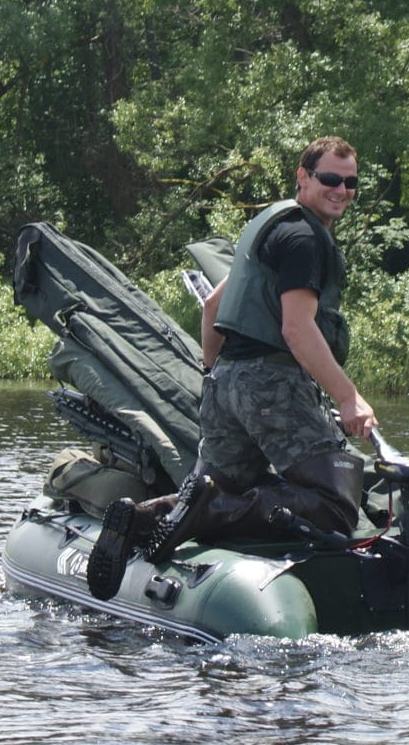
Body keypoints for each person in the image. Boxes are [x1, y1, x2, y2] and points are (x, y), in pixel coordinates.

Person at [86, 137, 376, 597]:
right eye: (329, 179)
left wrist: (214, 374)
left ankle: (141, 518)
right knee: (336, 504)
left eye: (350, 182)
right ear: (303, 176)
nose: (341, 190)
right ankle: (210, 509)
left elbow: (213, 306)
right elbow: (297, 330)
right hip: (270, 385)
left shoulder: (267, 225)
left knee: (228, 484)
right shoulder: (302, 239)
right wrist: (347, 397)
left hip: (226, 381)